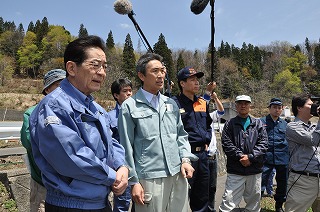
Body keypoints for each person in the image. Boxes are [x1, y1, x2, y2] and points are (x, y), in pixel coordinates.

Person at [29, 35, 128, 211]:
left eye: (104, 67)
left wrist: (122, 166)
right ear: (72, 68)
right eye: (95, 65)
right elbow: (72, 156)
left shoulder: (95, 107)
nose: (102, 72)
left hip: (99, 200)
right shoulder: (54, 105)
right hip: (70, 204)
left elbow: (112, 140)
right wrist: (113, 176)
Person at [118, 53, 197, 212]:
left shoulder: (170, 104)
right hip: (149, 178)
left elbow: (181, 135)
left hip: (177, 174)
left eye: (162, 70)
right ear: (141, 75)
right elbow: (126, 146)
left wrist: (185, 160)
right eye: (155, 71)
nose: (161, 75)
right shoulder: (130, 106)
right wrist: (134, 182)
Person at [20, 69, 66, 212]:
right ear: (46, 90)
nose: (63, 89)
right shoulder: (32, 113)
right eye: (58, 85)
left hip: (70, 185)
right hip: (43, 183)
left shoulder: (72, 111)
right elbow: (30, 143)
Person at [172, 66, 212, 212]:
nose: (197, 83)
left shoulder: (202, 103)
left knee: (202, 197)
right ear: (182, 83)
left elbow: (208, 124)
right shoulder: (174, 103)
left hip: (202, 156)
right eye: (192, 80)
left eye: (197, 80)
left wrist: (207, 140)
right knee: (181, 197)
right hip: (184, 157)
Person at [219, 95, 268, 212]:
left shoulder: (258, 124)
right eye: (240, 103)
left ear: (250, 106)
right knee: (228, 201)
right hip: (236, 169)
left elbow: (264, 144)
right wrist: (241, 156)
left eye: (246, 103)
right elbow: (227, 144)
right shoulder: (229, 124)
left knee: (254, 202)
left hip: (254, 169)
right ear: (235, 106)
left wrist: (250, 157)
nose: (243, 105)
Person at [284, 93, 320, 212]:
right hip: (302, 181)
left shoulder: (315, 126)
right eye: (310, 104)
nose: (314, 106)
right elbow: (312, 140)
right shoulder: (292, 126)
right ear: (299, 108)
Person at [108, 78, 133, 212]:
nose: (129, 93)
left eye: (130, 90)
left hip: (139, 164)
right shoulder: (110, 117)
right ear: (116, 95)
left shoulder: (138, 113)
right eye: (125, 91)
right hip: (121, 166)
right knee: (122, 203)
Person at [260, 97, 288, 212]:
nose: (277, 110)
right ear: (270, 108)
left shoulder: (285, 124)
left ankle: (279, 205)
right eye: (274, 107)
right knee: (261, 181)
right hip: (265, 158)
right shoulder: (261, 122)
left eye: (279, 108)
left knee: (282, 183)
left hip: (282, 158)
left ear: (281, 109)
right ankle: (256, 204)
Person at [204, 82, 225, 212]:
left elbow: (221, 111)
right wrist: (207, 92)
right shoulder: (195, 118)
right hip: (202, 157)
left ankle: (211, 209)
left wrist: (215, 98)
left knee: (212, 187)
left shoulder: (210, 117)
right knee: (201, 187)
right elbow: (201, 104)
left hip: (213, 156)